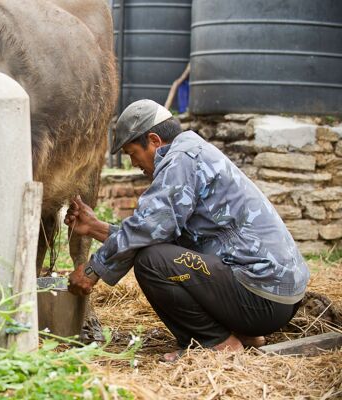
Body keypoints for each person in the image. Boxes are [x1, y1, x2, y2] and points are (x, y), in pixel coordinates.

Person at [65, 99, 310, 361]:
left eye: (132, 152)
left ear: (154, 140)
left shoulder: (181, 160)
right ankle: (243, 332)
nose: (133, 163)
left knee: (151, 263)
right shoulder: (193, 151)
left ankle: (215, 342)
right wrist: (95, 227)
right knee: (158, 254)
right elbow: (155, 232)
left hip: (261, 297)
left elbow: (147, 231)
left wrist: (92, 270)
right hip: (277, 296)